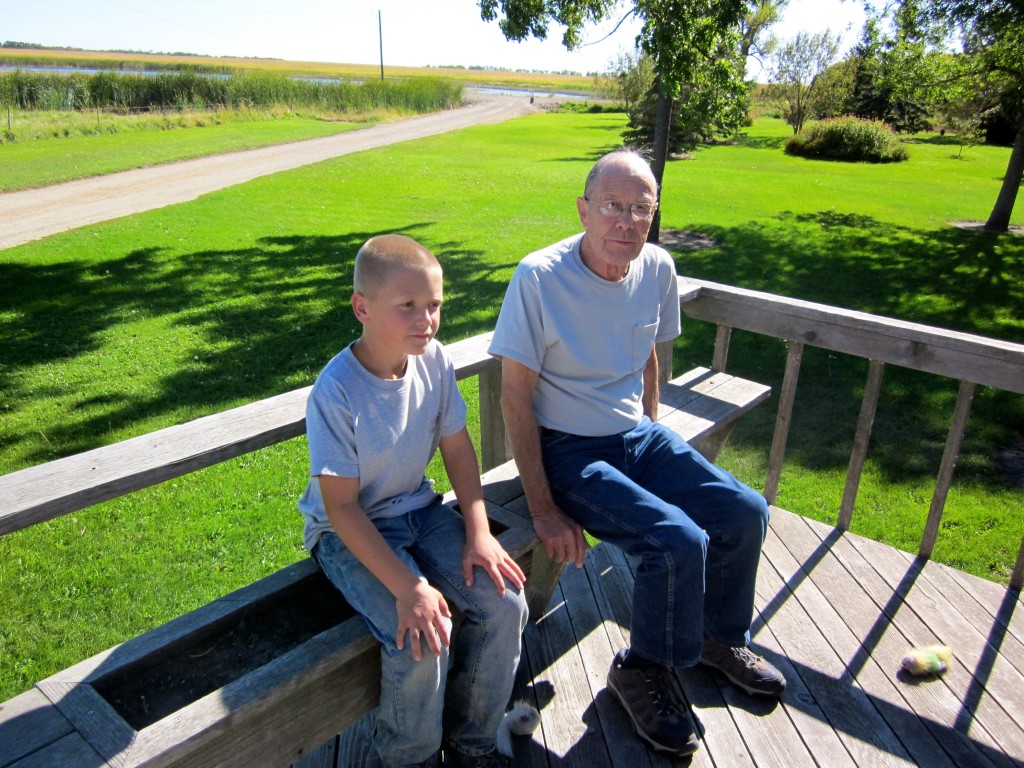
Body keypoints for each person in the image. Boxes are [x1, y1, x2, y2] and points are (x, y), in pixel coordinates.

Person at [488, 150, 786, 758]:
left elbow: (646, 349)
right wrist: (544, 509)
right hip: (569, 451)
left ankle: (716, 638)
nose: (627, 222)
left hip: (638, 438)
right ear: (584, 209)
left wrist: (656, 429)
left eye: (641, 210)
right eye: (613, 206)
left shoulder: (656, 267)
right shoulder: (540, 278)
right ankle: (641, 668)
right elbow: (514, 401)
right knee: (677, 541)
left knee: (744, 510)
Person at [298, 234, 529, 768]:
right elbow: (342, 508)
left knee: (505, 604)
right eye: (408, 306)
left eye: (434, 305)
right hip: (348, 533)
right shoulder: (336, 391)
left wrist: (478, 532)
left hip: (420, 512)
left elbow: (456, 446)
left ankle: (472, 746)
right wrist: (409, 589)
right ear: (362, 307)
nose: (426, 319)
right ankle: (410, 759)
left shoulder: (433, 361)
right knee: (420, 637)